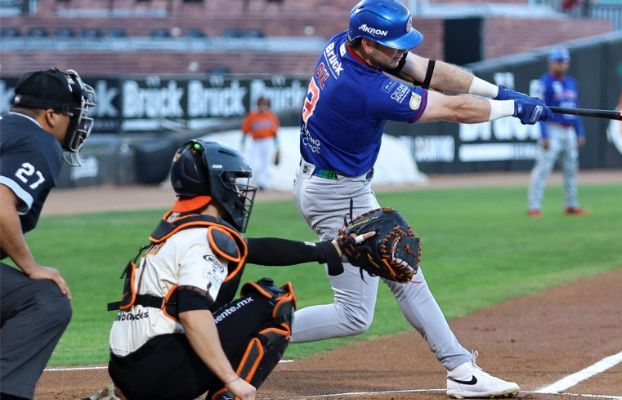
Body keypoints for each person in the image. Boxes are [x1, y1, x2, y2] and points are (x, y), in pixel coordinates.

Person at [292, 1, 552, 398]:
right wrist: (513, 108)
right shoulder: (365, 88)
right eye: (393, 46)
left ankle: (242, 331)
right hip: (338, 193)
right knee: (401, 270)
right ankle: (460, 369)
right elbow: (453, 107)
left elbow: (429, 71)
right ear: (365, 43)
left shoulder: (346, 46)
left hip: (331, 183)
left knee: (357, 314)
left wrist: (502, 93)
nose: (400, 52)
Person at [100, 140, 371, 400]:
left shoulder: (181, 231)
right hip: (162, 373)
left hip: (128, 373)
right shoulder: (204, 239)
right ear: (217, 186)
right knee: (273, 303)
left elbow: (256, 249)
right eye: (233, 182)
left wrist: (327, 250)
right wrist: (232, 380)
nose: (240, 192)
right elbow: (192, 312)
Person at [0, 68, 96, 400]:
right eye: (72, 113)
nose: (77, 122)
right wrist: (30, 266)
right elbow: (0, 205)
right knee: (46, 299)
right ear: (51, 115)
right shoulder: (39, 140)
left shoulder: (5, 129)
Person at [527, 47, 588, 218]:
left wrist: (579, 131)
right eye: (558, 61)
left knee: (571, 168)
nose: (561, 65)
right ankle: (534, 206)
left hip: (569, 130)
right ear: (551, 62)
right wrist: (544, 135)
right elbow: (539, 109)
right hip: (552, 128)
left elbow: (575, 109)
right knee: (543, 168)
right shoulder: (544, 82)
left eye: (564, 61)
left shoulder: (571, 82)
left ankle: (571, 204)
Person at [240, 96, 280, 190]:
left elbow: (275, 133)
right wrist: (242, 142)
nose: (262, 106)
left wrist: (277, 146)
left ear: (266, 105)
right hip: (255, 142)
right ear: (257, 105)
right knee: (251, 162)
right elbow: (245, 131)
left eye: (264, 104)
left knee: (265, 163)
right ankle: (245, 183)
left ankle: (262, 183)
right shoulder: (252, 116)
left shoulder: (271, 116)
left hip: (267, 141)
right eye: (260, 104)